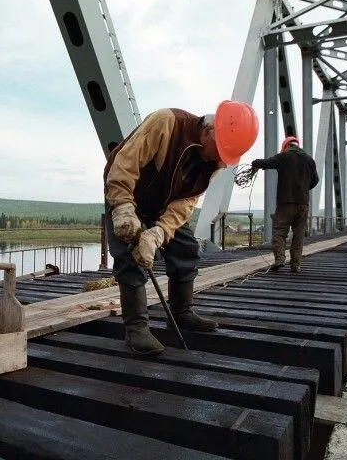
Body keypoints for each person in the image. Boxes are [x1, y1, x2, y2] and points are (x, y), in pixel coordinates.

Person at [104, 101, 259, 355]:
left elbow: (186, 201)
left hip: (163, 205)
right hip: (127, 194)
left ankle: (181, 312)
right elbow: (123, 164)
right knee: (129, 257)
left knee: (186, 248)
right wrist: (122, 207)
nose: (221, 161)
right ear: (210, 131)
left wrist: (158, 233)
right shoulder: (167, 123)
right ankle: (136, 329)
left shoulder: (215, 163)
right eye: (220, 152)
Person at [251, 136, 319, 273]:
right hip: (303, 203)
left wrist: (254, 162)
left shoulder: (284, 156)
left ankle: (280, 259)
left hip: (286, 202)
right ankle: (296, 265)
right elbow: (315, 180)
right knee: (298, 235)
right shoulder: (309, 160)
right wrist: (304, 189)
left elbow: (266, 163)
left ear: (286, 146)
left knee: (280, 231)